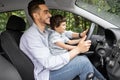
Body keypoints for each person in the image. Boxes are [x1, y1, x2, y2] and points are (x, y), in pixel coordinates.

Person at [19, 0, 106, 80]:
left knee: (83, 58)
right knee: (82, 62)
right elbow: (49, 63)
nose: (50, 15)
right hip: (46, 74)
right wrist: (77, 49)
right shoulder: (31, 36)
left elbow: (64, 33)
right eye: (46, 12)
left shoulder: (46, 31)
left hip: (52, 68)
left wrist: (80, 35)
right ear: (36, 16)